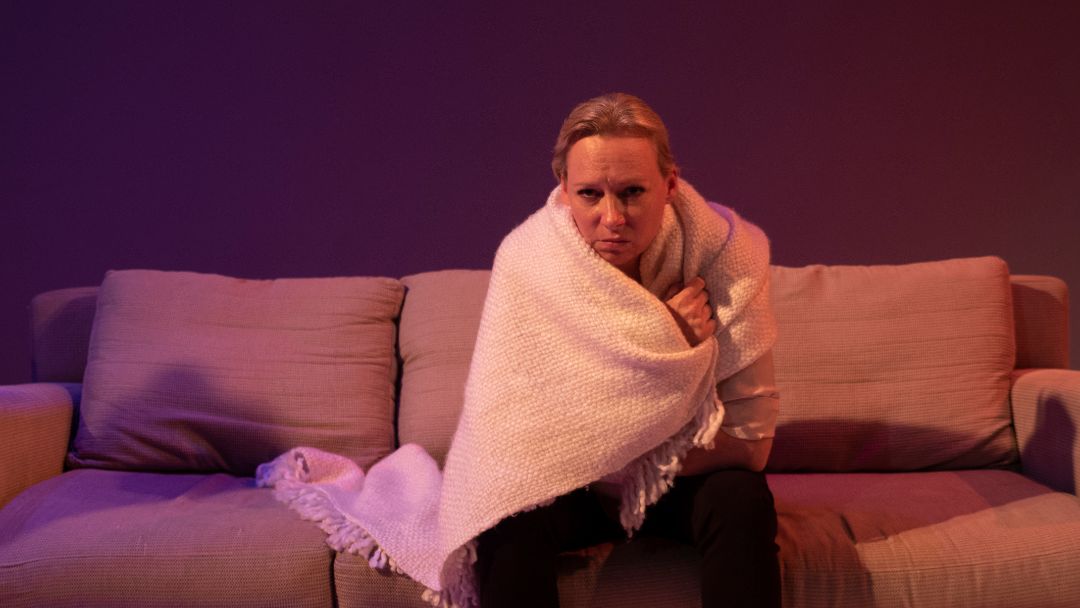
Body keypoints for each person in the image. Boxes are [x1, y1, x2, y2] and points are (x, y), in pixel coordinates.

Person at [474, 93, 782, 608]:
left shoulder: (727, 255)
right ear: (564, 190)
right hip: (572, 487)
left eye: (632, 192)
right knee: (502, 514)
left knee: (740, 500)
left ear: (670, 185)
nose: (612, 218)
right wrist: (666, 339)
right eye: (589, 194)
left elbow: (752, 445)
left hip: (679, 482)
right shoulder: (529, 263)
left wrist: (614, 445)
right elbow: (517, 440)